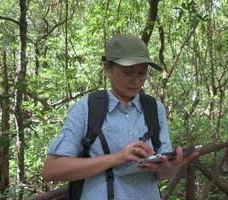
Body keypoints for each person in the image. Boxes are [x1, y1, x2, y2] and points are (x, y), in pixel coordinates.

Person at [42, 34, 199, 200]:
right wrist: (117, 158)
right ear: (107, 69)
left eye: (142, 73)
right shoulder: (87, 107)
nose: (136, 80)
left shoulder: (154, 108)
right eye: (128, 72)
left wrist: (171, 167)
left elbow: (161, 175)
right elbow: (52, 170)